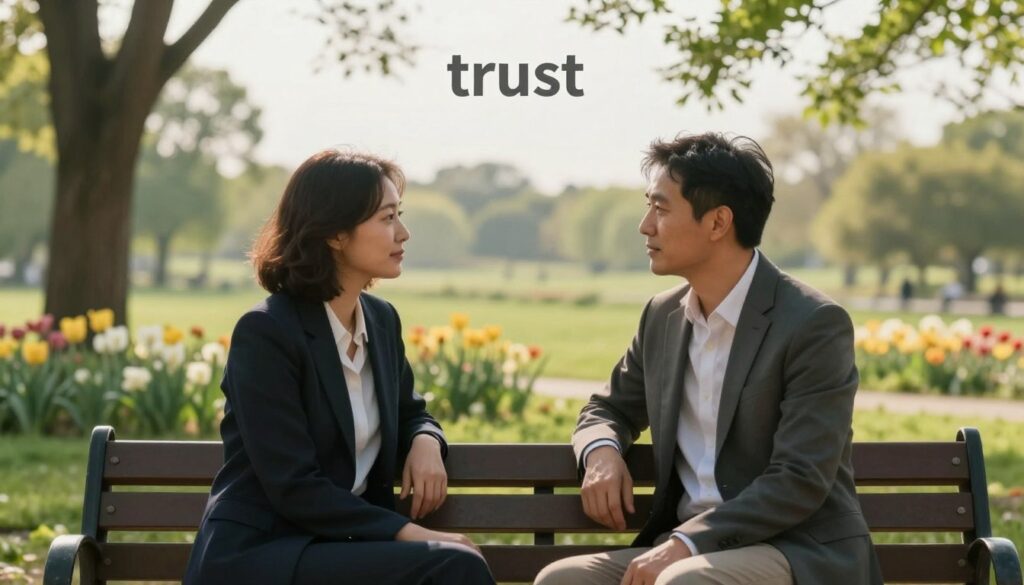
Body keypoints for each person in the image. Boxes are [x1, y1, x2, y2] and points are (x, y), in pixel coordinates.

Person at [535, 133, 882, 585]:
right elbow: (608, 408)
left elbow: (799, 477)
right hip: (683, 547)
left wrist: (687, 544)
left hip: (792, 549)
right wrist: (601, 452)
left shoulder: (814, 324)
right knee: (561, 581)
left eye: (660, 209)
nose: (644, 225)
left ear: (718, 223)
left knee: (685, 583)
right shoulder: (663, 315)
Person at [183, 150, 494, 585]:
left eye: (398, 215)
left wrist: (425, 439)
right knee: (453, 564)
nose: (403, 233)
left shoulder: (381, 321)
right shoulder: (267, 333)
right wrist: (412, 532)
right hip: (264, 556)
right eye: (387, 219)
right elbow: (293, 485)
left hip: (342, 550)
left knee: (453, 563)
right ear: (334, 233)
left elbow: (411, 412)